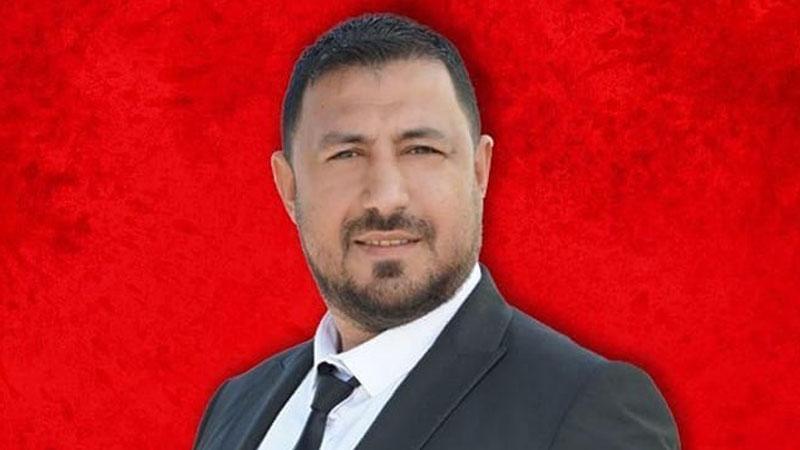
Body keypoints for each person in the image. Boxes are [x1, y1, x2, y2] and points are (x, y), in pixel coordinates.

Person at [192, 13, 680, 450]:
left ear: (479, 170)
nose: (386, 196)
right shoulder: (236, 406)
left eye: (421, 150)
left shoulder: (584, 411)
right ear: (289, 187)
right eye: (346, 154)